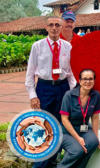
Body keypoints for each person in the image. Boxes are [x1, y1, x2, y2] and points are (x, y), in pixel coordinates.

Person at [25, 16, 76, 168]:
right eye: (51, 25)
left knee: (61, 125)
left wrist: (73, 92)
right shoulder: (37, 46)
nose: (54, 28)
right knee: (43, 126)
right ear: (46, 27)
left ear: (61, 28)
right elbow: (30, 74)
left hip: (63, 88)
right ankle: (39, 164)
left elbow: (71, 73)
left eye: (57, 25)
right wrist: (33, 95)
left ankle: (52, 160)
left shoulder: (68, 47)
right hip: (44, 88)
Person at [57, 69, 100, 168]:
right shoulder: (69, 95)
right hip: (66, 131)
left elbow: (95, 118)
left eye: (91, 79)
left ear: (94, 81)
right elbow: (64, 120)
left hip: (84, 129)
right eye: (85, 79)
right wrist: (78, 138)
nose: (88, 82)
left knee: (93, 143)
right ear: (79, 81)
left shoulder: (96, 95)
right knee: (76, 150)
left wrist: (97, 137)